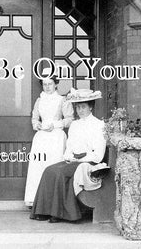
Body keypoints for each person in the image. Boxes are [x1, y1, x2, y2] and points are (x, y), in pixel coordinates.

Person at [30, 89, 106, 223]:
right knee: (49, 170)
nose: (80, 111)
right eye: (78, 108)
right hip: (73, 159)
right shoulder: (75, 125)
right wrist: (68, 156)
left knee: (60, 173)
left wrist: (80, 159)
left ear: (90, 107)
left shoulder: (99, 125)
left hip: (88, 161)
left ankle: (59, 214)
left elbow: (98, 154)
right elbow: (70, 145)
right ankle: (44, 211)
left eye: (83, 107)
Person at [24, 69, 74, 207]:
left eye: (50, 84)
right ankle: (38, 202)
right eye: (44, 84)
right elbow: (34, 118)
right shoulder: (39, 100)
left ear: (56, 84)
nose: (47, 87)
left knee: (53, 167)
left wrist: (56, 124)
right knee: (39, 167)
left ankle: (54, 203)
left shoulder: (62, 100)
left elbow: (69, 119)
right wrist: (37, 124)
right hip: (41, 138)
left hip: (56, 137)